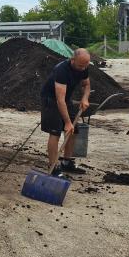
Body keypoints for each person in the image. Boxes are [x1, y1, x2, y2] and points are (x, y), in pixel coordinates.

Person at [40, 48, 91, 176]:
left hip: (65, 99)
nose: (83, 68)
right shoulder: (62, 70)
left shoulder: (84, 67)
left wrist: (85, 98)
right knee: (55, 132)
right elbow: (59, 100)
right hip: (51, 100)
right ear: (72, 60)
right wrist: (67, 122)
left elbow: (86, 85)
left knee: (73, 131)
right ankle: (53, 166)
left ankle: (67, 163)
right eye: (80, 65)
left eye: (85, 65)